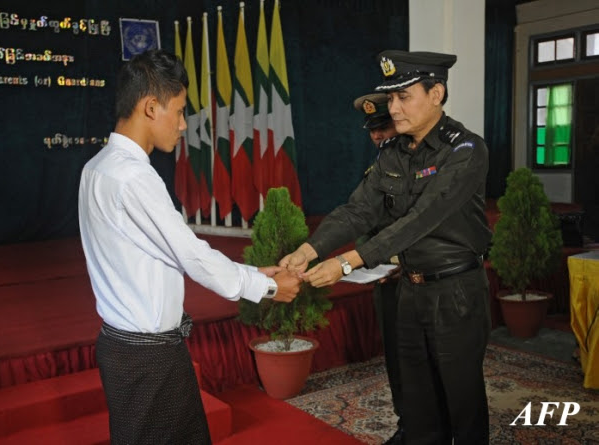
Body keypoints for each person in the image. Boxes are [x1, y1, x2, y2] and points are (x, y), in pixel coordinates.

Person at [78, 49, 301, 445]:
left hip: (123, 347)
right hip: (151, 359)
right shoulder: (134, 178)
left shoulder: (96, 166)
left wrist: (253, 273)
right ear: (150, 108)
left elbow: (164, 252)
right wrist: (267, 288)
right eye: (178, 111)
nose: (183, 125)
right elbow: (191, 255)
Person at [281, 50, 492, 444]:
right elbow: (358, 210)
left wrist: (347, 263)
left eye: (403, 97)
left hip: (455, 292)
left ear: (436, 94)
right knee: (417, 400)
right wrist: (310, 250)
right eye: (390, 98)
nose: (393, 108)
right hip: (410, 290)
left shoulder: (465, 150)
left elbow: (421, 219)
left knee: (462, 401)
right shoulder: (394, 152)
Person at [353, 92, 404, 444]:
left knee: (425, 359)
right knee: (397, 358)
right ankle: (409, 424)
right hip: (384, 276)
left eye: (383, 127)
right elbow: (362, 220)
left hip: (415, 274)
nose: (377, 136)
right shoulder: (377, 168)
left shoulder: (424, 164)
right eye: (373, 130)